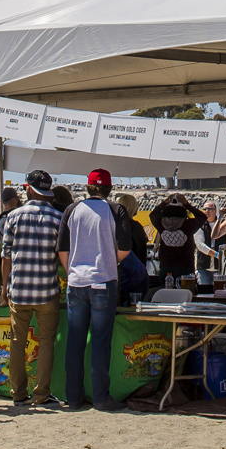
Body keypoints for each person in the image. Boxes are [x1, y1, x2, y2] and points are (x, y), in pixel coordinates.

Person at [57, 169, 132, 411]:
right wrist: (110, 261)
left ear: (88, 187)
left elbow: (62, 249)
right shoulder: (115, 210)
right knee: (100, 342)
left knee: (75, 341)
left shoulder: (72, 209)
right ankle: (100, 397)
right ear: (109, 189)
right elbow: (125, 249)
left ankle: (74, 397)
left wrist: (73, 272)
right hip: (103, 280)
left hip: (77, 281)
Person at [0, 170, 67, 406]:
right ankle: (41, 394)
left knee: (17, 343)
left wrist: (4, 286)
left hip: (19, 289)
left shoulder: (13, 217)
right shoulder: (58, 218)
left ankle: (18, 394)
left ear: (28, 189)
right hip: (47, 289)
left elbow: (6, 257)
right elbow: (62, 255)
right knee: (46, 342)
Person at [150, 194, 208, 277]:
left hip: (165, 267)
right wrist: (187, 205)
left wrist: (163, 203)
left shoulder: (161, 224)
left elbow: (153, 214)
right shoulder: (188, 224)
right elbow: (202, 217)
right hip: (186, 267)